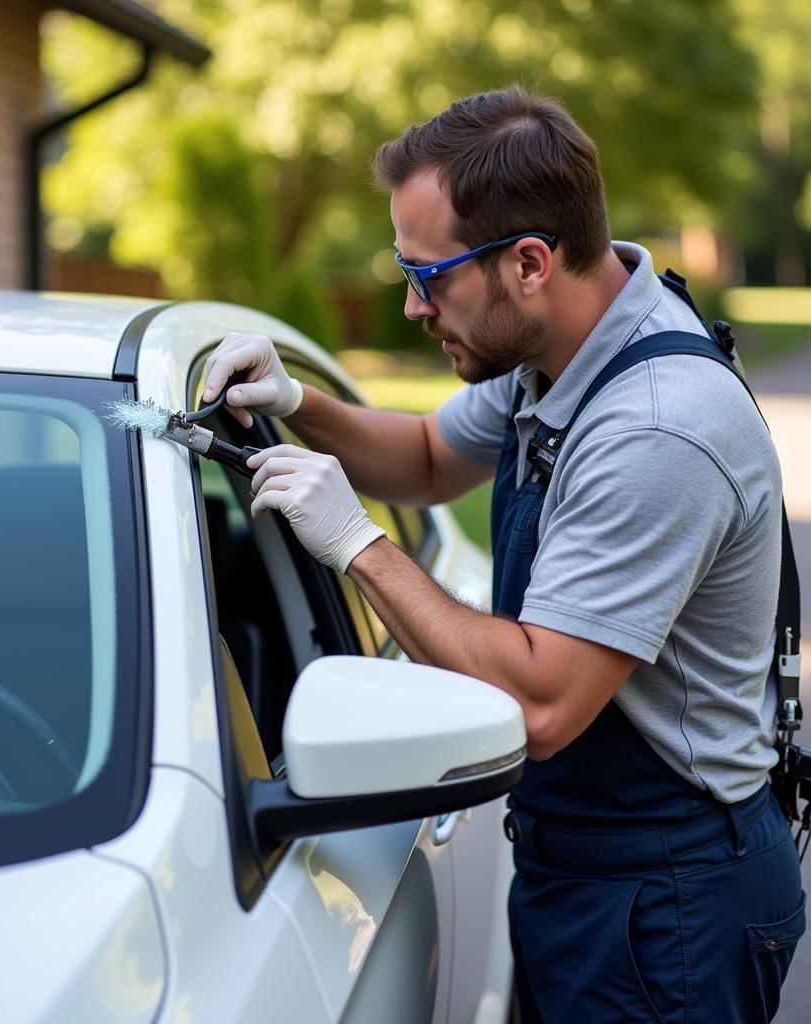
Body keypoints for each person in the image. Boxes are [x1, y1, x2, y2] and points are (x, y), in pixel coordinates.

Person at [201, 85, 806, 1022]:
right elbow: (431, 458)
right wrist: (299, 405)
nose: (409, 306)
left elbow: (543, 703)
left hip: (670, 900)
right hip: (592, 871)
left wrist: (354, 544)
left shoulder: (655, 428)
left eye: (428, 277)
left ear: (529, 262)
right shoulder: (557, 345)